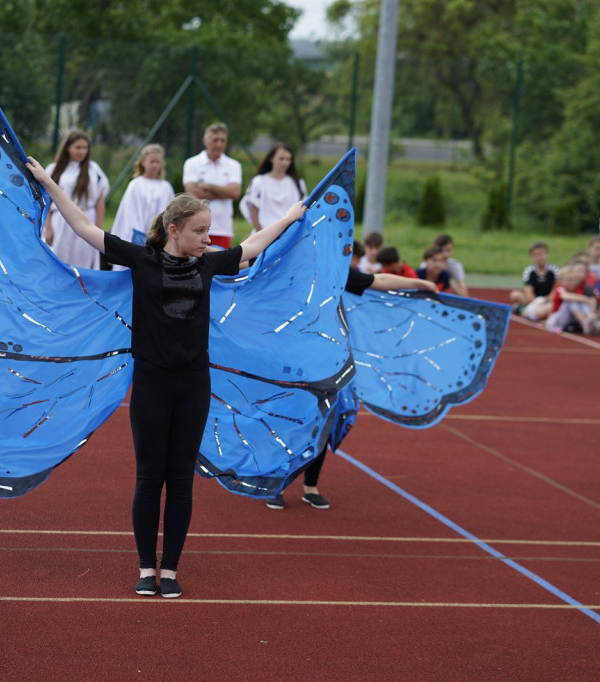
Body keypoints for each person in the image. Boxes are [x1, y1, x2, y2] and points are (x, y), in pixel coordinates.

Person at [27, 155, 306, 599]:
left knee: (180, 480)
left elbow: (253, 246)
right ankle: (144, 566)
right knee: (148, 476)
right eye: (199, 231)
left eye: (209, 231)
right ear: (174, 230)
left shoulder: (209, 265)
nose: (207, 238)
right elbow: (82, 227)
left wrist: (291, 216)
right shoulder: (141, 261)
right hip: (153, 384)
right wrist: (47, 182)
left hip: (194, 384)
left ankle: (171, 570)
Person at [267, 268, 439, 511]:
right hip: (291, 360)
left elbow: (377, 280)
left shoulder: (334, 268)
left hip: (329, 361)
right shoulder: (289, 266)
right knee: (290, 422)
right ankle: (277, 484)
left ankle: (310, 487)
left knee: (324, 422)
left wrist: (418, 282)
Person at [42, 130, 109, 270]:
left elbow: (99, 201)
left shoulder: (93, 169)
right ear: (67, 147)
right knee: (59, 262)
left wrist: (98, 229)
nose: (82, 151)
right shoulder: (54, 170)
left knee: (83, 264)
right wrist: (48, 227)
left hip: (86, 219)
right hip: (61, 220)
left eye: (85, 147)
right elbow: (47, 200)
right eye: (78, 147)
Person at [108, 143, 173, 261]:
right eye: (152, 161)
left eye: (158, 162)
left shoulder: (166, 187)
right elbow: (131, 212)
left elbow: (168, 211)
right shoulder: (136, 185)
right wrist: (140, 236)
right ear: (143, 162)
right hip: (138, 236)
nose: (155, 165)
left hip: (158, 237)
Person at [182, 122, 241, 248]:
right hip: (196, 227)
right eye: (215, 140)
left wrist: (208, 186)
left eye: (222, 140)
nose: (219, 144)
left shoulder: (234, 165)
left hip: (222, 229)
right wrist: (225, 192)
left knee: (220, 266)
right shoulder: (192, 163)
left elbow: (235, 193)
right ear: (205, 141)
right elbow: (192, 192)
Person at [238, 142, 307, 233]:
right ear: (271, 159)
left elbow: (303, 207)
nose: (285, 163)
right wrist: (261, 233)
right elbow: (253, 209)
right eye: (281, 159)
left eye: (288, 159)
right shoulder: (259, 181)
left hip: (289, 235)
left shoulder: (297, 183)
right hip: (263, 234)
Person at [509, 241, 558, 321]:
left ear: (547, 255)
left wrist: (546, 300)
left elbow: (556, 289)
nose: (539, 257)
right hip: (532, 300)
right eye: (536, 255)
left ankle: (522, 310)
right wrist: (536, 302)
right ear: (532, 257)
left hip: (548, 299)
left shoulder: (554, 270)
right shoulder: (529, 271)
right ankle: (530, 310)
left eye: (541, 254)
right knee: (514, 295)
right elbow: (528, 291)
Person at [545, 264, 597, 334]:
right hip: (557, 319)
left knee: (579, 302)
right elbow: (564, 296)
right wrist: (585, 298)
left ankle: (589, 318)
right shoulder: (560, 288)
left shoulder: (577, 290)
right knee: (570, 301)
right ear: (561, 280)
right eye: (569, 280)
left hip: (570, 319)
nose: (571, 283)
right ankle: (584, 323)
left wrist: (585, 300)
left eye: (573, 280)